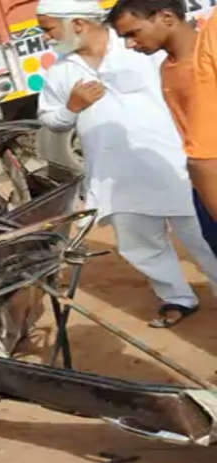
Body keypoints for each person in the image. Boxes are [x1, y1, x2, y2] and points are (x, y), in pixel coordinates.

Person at [36, 0, 217, 327]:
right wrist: (71, 108)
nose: (45, 37)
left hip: (175, 164)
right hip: (114, 175)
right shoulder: (60, 72)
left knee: (202, 238)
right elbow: (51, 120)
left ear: (77, 24)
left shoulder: (142, 44)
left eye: (48, 29)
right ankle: (177, 297)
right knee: (140, 245)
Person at [107, 0, 217, 255]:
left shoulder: (209, 56)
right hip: (202, 188)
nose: (130, 44)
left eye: (133, 33)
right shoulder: (167, 69)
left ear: (166, 17)